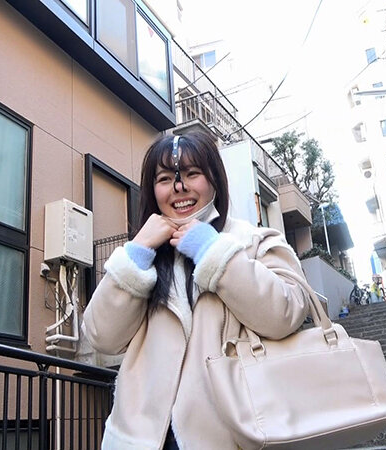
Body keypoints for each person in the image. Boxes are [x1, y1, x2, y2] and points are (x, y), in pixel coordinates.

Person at [82, 131, 311, 449]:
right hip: (142, 438)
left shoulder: (253, 240)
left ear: (215, 180)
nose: (179, 187)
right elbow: (101, 336)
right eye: (165, 179)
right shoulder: (145, 253)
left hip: (231, 433)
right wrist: (137, 252)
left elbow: (285, 314)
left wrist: (214, 253)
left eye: (192, 174)